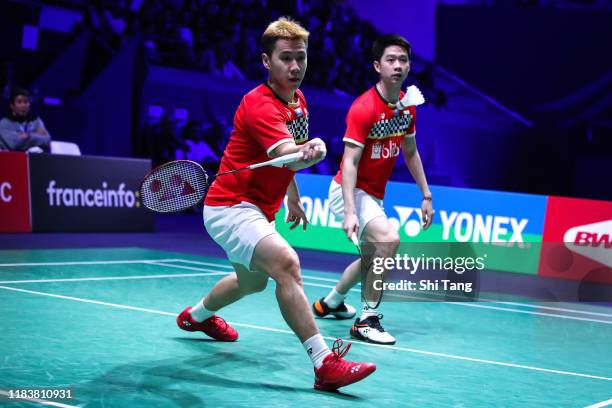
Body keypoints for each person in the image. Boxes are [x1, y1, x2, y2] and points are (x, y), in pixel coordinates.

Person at [175, 17, 376, 391]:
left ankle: (196, 317)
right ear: (266, 61)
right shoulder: (259, 105)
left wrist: (293, 197)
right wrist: (310, 153)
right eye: (286, 58)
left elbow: (287, 160)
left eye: (301, 57)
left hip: (256, 209)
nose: (296, 67)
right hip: (231, 206)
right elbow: (288, 153)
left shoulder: (298, 102)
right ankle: (323, 364)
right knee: (286, 263)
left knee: (251, 283)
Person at [312, 34, 435, 345]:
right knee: (388, 241)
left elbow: (410, 151)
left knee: (372, 254)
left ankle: (331, 302)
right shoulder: (364, 108)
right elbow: (349, 162)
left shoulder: (408, 107)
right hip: (348, 191)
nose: (398, 66)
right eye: (391, 60)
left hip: (373, 195)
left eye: (403, 60)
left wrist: (426, 195)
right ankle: (366, 319)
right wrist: (350, 212)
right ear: (377, 66)